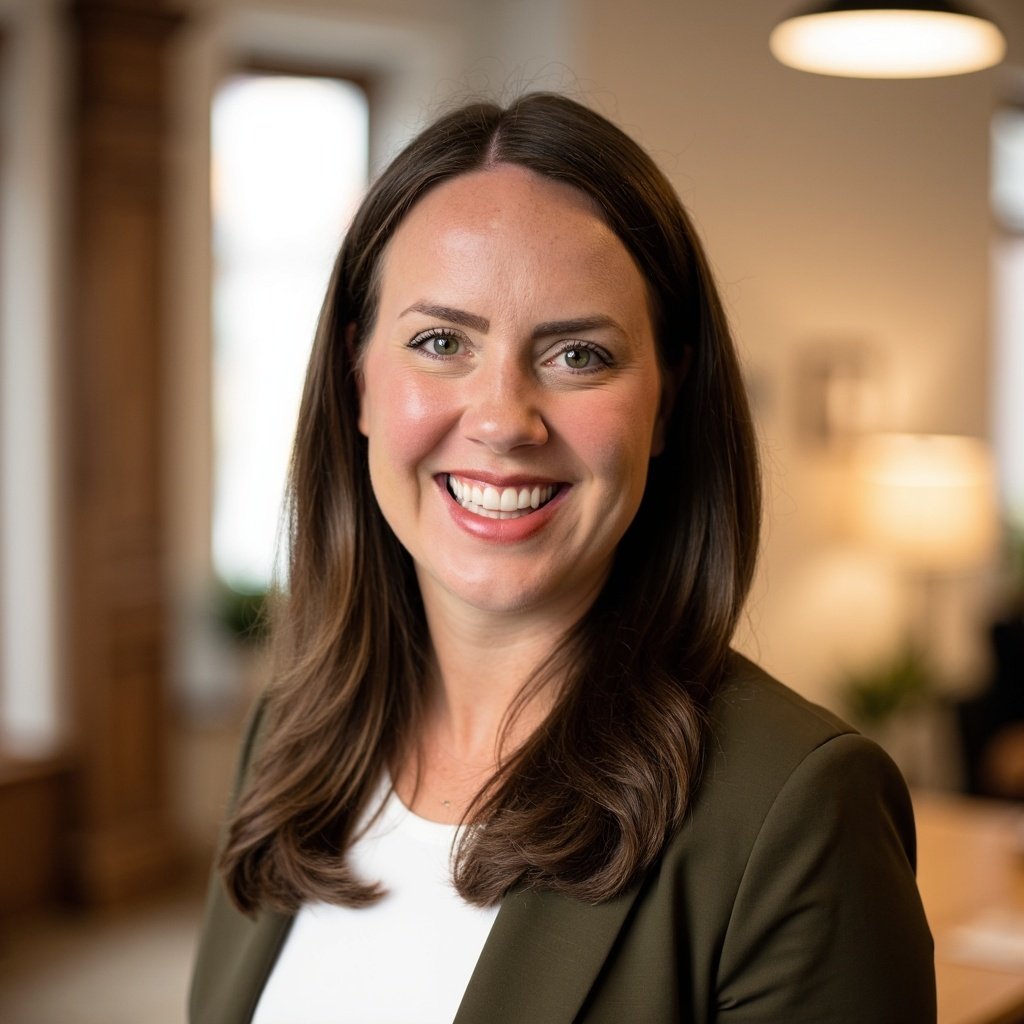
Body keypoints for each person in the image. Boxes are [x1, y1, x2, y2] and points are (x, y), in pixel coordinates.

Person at [189, 93, 935, 1023]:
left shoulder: (797, 811)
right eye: (439, 342)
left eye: (579, 354)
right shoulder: (290, 736)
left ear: (667, 402)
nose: (504, 419)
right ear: (357, 380)